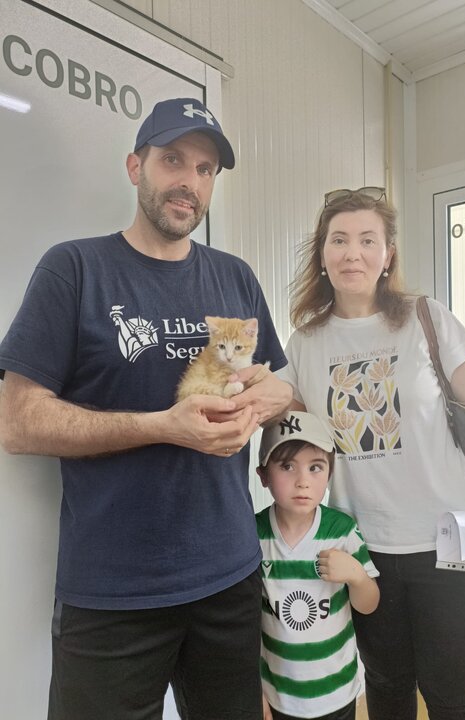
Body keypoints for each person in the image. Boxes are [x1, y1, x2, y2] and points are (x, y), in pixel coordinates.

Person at [0, 97, 293, 720]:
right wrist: (160, 427)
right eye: (173, 160)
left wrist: (271, 400)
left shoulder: (236, 278)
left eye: (206, 169)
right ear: (136, 167)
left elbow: (276, 389)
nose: (190, 182)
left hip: (230, 574)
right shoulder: (75, 268)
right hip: (112, 594)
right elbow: (17, 421)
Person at [276, 187, 465, 720]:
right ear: (322, 255)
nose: (353, 253)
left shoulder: (427, 318)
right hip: (363, 547)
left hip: (456, 540)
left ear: (388, 254)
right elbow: (293, 437)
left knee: (453, 693)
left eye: (367, 240)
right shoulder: (305, 343)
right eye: (339, 240)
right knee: (387, 684)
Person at [256, 410, 380, 720]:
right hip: (279, 696)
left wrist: (357, 576)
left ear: (329, 474)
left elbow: (369, 604)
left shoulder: (341, 531)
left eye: (315, 467)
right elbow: (245, 622)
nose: (302, 482)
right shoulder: (252, 534)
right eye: (287, 466)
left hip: (337, 694)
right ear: (264, 476)